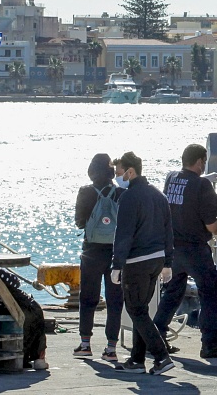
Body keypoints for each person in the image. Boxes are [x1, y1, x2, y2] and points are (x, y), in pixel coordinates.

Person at [153, 144, 217, 359]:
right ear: (200, 161)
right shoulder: (203, 185)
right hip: (195, 248)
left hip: (172, 247)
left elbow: (186, 190)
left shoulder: (171, 178)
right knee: (208, 290)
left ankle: (156, 337)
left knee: (173, 291)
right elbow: (210, 224)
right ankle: (210, 343)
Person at [111, 151, 175, 375]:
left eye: (119, 172)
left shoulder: (129, 197)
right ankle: (137, 360)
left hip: (136, 261)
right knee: (141, 310)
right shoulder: (158, 195)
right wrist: (168, 261)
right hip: (156, 260)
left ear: (130, 171)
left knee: (136, 310)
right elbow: (168, 230)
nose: (117, 177)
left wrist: (116, 265)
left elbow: (124, 234)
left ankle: (161, 356)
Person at [73, 154, 125, 362]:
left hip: (91, 251)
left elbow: (79, 222)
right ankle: (111, 348)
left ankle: (85, 344)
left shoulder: (85, 192)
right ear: (111, 172)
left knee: (88, 298)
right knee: (115, 300)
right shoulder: (121, 193)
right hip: (115, 252)